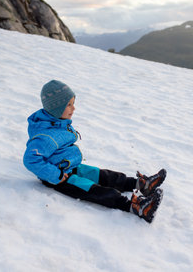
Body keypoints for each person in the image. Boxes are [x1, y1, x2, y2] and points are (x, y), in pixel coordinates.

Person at [23, 80, 166, 223]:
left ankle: (140, 185)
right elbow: (31, 159)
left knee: (103, 175)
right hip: (59, 177)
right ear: (56, 108)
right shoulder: (45, 136)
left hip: (70, 166)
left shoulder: (55, 121)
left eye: (73, 103)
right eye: (69, 105)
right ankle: (137, 207)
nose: (74, 108)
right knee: (92, 189)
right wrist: (56, 175)